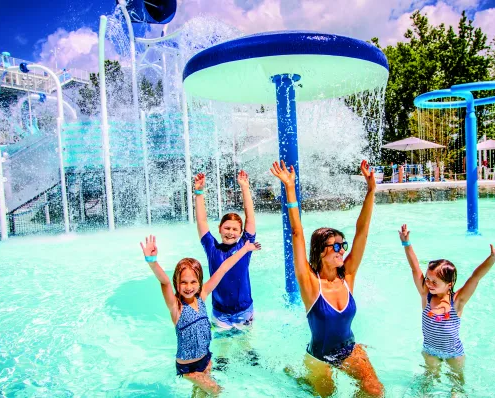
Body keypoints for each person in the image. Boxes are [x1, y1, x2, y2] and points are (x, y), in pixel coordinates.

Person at [271, 159, 384, 397]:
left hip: (349, 350)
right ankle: (302, 377)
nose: (342, 250)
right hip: (320, 357)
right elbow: (297, 233)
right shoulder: (310, 284)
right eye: (335, 247)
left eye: (342, 245)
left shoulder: (348, 276)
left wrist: (371, 190)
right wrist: (290, 188)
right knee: (327, 394)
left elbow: (362, 231)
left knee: (375, 391)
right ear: (320, 252)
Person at [140, 235, 261, 395]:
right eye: (183, 282)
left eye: (193, 282)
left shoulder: (202, 296)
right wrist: (152, 261)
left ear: (199, 282)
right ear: (177, 283)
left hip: (205, 360)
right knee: (216, 390)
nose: (188, 287)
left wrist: (244, 249)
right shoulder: (176, 307)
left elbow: (224, 268)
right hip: (188, 368)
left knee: (201, 393)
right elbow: (164, 282)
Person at [398, 224, 495, 390]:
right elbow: (415, 269)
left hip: (454, 353)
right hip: (430, 351)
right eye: (428, 279)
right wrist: (406, 244)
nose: (428, 283)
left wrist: (491, 259)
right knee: (428, 381)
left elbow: (475, 277)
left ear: (449, 284)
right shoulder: (426, 296)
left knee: (457, 385)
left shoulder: (457, 301)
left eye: (434, 282)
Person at [194, 170, 257, 332]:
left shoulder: (245, 246)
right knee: (222, 353)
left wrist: (245, 188)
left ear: (241, 231)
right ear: (220, 229)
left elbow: (250, 218)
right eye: (227, 228)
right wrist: (199, 193)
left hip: (244, 310)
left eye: (235, 229)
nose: (230, 232)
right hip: (220, 313)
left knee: (248, 350)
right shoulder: (212, 248)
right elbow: (201, 221)